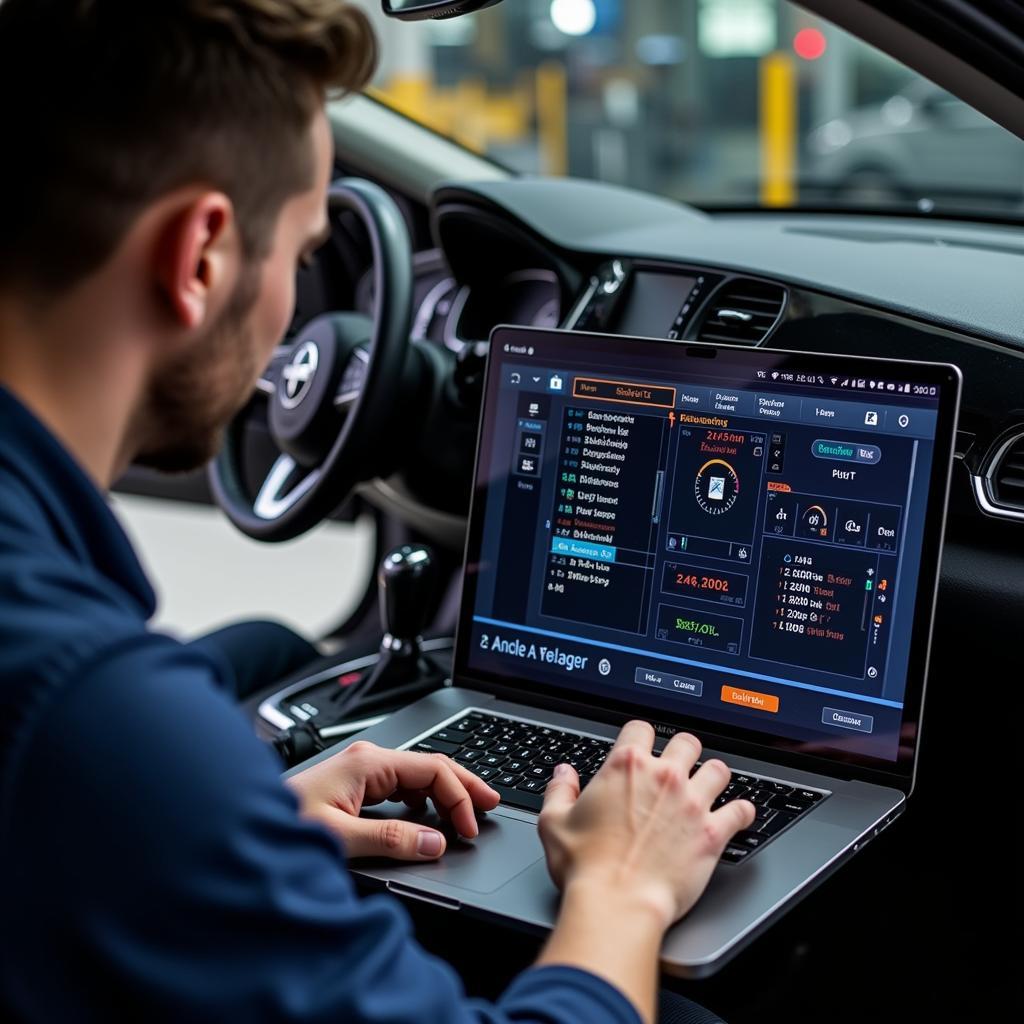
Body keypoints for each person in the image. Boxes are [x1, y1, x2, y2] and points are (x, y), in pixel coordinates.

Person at [0, 2, 756, 1022]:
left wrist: (243, 829)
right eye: (304, 253)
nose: (294, 320)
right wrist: (627, 884)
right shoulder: (95, 711)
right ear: (201, 257)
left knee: (268, 647)